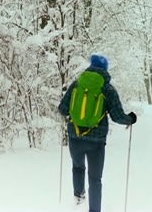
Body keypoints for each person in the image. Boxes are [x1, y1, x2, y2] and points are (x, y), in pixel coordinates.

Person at [58, 54, 137, 212]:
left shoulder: (76, 85)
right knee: (95, 179)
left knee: (78, 168)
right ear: (105, 69)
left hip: (75, 137)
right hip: (96, 142)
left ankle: (78, 200)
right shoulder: (107, 89)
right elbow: (117, 116)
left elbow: (62, 109)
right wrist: (131, 119)